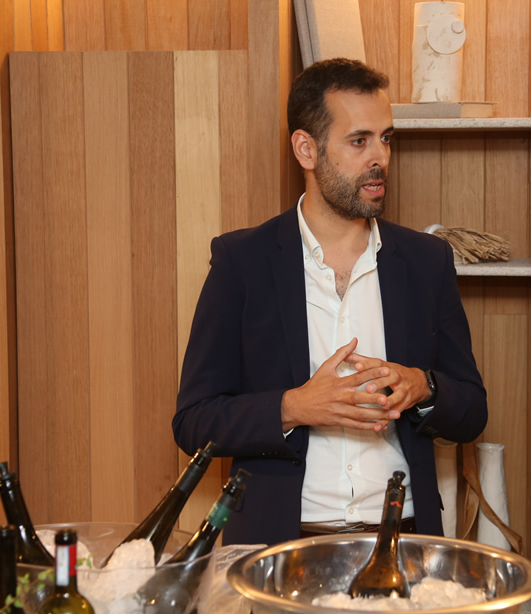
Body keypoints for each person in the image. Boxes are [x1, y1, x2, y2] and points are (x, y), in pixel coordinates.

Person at [172, 58, 487, 546]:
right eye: (359, 141)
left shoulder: (427, 262)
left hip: (403, 541)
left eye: (386, 138)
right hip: (278, 547)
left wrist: (423, 387)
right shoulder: (242, 262)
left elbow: (472, 411)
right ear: (306, 149)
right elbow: (193, 422)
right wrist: (295, 407)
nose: (379, 157)